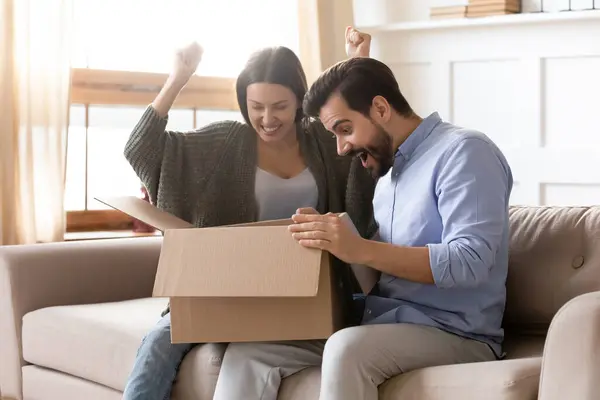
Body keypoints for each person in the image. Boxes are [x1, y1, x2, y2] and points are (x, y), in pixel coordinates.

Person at [215, 28, 513, 400]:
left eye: (344, 129)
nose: (340, 148)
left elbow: (470, 260)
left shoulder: (464, 152)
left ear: (381, 109)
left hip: (455, 332)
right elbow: (385, 273)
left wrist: (358, 249)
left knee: (347, 349)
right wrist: (331, 241)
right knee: (251, 352)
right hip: (381, 320)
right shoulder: (387, 176)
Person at [120, 30, 377, 399]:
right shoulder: (225, 143)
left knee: (366, 312)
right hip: (230, 290)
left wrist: (359, 65)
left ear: (301, 100)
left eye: (280, 106)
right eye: (256, 106)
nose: (267, 118)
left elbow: (367, 136)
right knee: (161, 340)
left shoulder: (324, 142)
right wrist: (178, 77)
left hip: (308, 292)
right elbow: (141, 149)